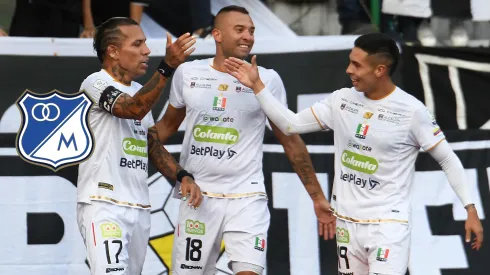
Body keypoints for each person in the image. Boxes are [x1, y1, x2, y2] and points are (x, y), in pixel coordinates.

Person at [223, 32, 484, 275]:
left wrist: (470, 208)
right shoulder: (342, 100)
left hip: (387, 227)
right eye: (350, 62)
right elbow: (291, 124)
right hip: (347, 225)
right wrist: (257, 86)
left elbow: (448, 159)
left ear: (380, 69)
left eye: (357, 65)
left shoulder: (411, 111)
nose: (349, 70)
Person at [154, 5, 333, 275]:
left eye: (251, 31)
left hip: (247, 197)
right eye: (239, 29)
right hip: (198, 196)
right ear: (217, 34)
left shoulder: (267, 80)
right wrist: (126, 144)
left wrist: (317, 198)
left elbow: (291, 141)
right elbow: (165, 128)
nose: (248, 36)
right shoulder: (188, 74)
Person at [76, 17, 202, 275]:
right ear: (112, 51)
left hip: (139, 207)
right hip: (103, 203)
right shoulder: (94, 83)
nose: (147, 51)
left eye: (145, 44)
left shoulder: (138, 89)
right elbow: (132, 108)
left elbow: (151, 145)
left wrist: (182, 175)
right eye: (138, 44)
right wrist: (167, 66)